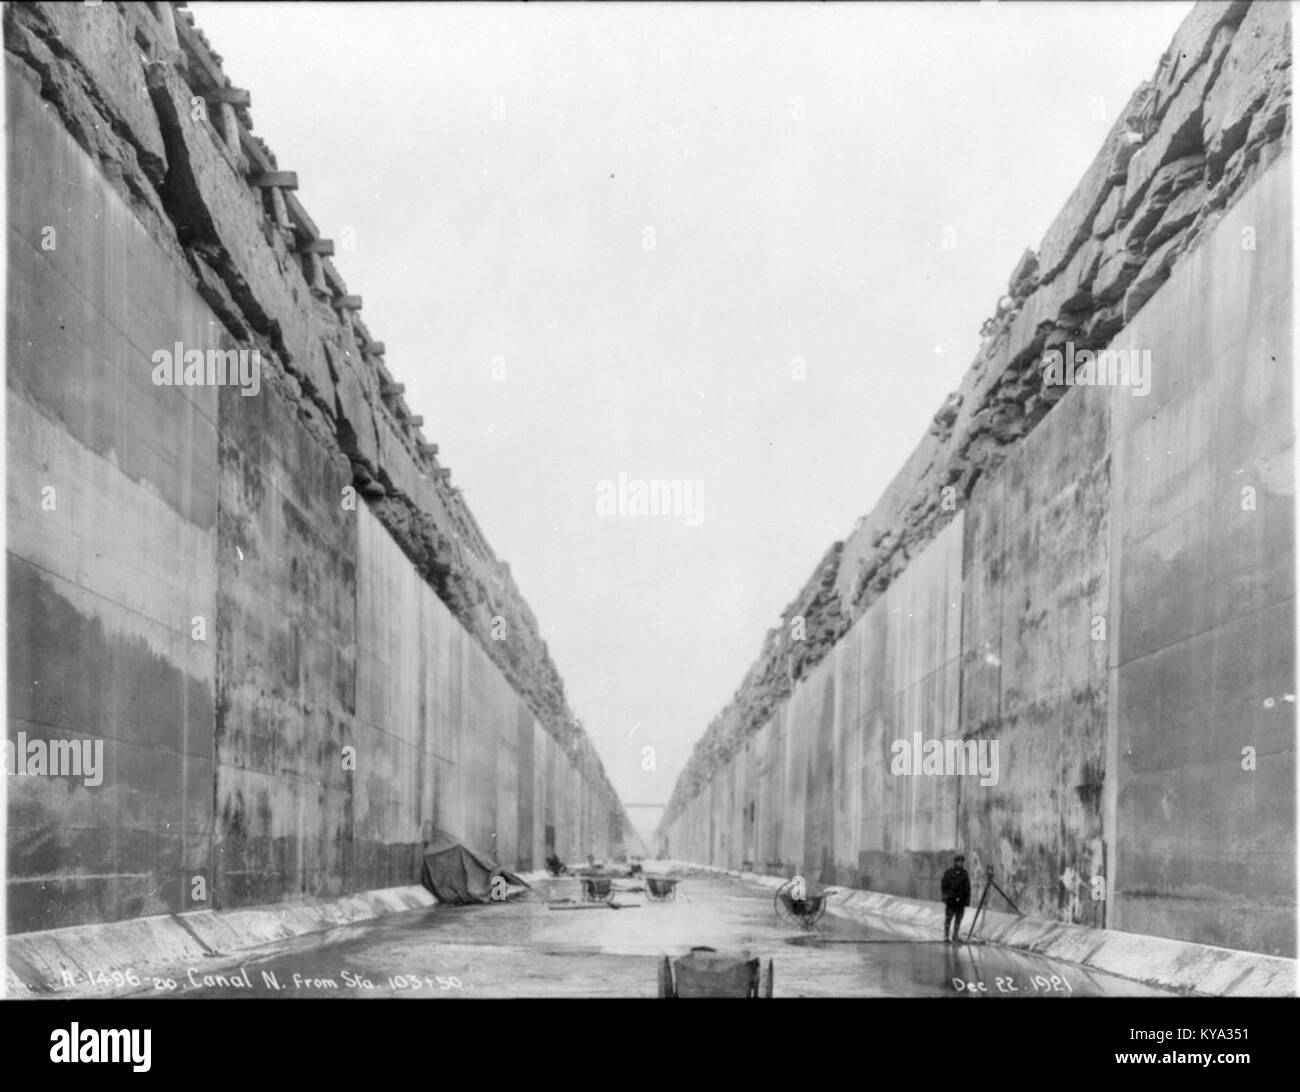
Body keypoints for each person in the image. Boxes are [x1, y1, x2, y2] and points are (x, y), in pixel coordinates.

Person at [940, 855, 971, 943]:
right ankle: (946, 935)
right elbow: (944, 885)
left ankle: (955, 935)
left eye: (962, 862)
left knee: (958, 918)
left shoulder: (965, 873)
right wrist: (945, 895)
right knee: (949, 918)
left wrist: (967, 899)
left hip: (961, 901)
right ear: (955, 862)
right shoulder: (949, 872)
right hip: (951, 900)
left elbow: (967, 887)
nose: (961, 863)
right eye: (959, 861)